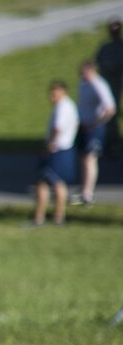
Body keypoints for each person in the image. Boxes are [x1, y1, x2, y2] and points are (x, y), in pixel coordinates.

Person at [31, 80, 79, 227]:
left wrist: (51, 143)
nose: (51, 96)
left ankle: (41, 217)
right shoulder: (69, 106)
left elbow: (57, 128)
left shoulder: (62, 107)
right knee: (56, 183)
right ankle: (57, 216)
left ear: (62, 91)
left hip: (57, 149)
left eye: (54, 92)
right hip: (65, 148)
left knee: (46, 182)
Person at [76, 60, 117, 205]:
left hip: (93, 127)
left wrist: (96, 123)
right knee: (83, 158)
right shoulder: (83, 83)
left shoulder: (98, 84)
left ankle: (88, 193)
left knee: (90, 158)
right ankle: (83, 188)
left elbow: (110, 108)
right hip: (83, 125)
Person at [95, 18, 123, 156]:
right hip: (109, 85)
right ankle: (110, 143)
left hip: (118, 82)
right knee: (108, 114)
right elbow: (97, 64)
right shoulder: (105, 48)